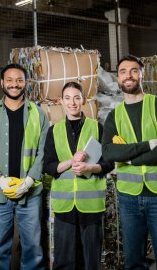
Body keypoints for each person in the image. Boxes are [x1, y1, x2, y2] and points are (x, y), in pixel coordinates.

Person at [102, 54, 157, 270]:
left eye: (134, 70)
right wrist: (148, 145)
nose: (129, 76)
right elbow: (108, 152)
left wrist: (126, 157)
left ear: (142, 74)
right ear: (118, 78)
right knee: (134, 262)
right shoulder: (114, 116)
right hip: (129, 196)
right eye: (123, 72)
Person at [0, 63, 49, 270]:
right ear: (2, 83)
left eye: (19, 80)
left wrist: (30, 180)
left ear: (26, 83)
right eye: (9, 80)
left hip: (30, 193)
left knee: (33, 247)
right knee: (0, 248)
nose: (14, 85)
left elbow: (44, 151)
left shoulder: (38, 114)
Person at [43, 81, 114, 270]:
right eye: (67, 98)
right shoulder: (53, 131)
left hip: (90, 206)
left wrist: (89, 168)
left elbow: (108, 163)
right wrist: (71, 162)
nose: (72, 102)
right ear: (61, 101)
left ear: (83, 100)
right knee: (64, 260)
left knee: (91, 260)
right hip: (65, 205)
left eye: (76, 97)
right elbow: (48, 167)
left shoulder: (97, 128)